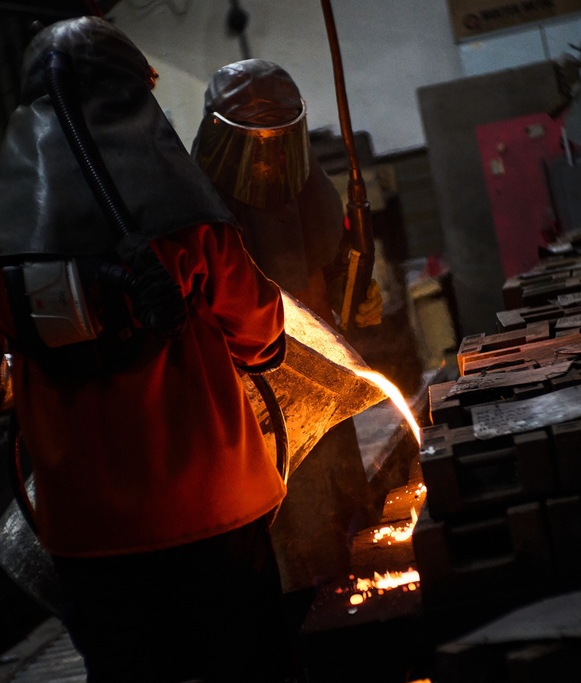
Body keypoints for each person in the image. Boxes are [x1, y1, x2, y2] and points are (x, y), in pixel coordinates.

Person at [0, 17, 297, 683]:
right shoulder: (188, 212)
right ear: (135, 93)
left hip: (89, 531)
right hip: (217, 509)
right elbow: (261, 330)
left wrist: (15, 381)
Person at [192, 59, 384, 596]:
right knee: (291, 529)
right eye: (257, 137)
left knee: (346, 506)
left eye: (280, 137)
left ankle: (354, 589)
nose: (268, 161)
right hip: (250, 396)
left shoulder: (305, 182)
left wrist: (359, 283)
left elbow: (334, 259)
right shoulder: (198, 204)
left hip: (321, 376)